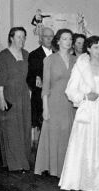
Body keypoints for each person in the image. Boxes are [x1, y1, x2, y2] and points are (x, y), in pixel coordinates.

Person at [59, 36, 99, 191]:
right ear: (89, 49)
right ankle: (80, 181)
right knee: (84, 145)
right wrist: (85, 96)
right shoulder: (81, 65)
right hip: (88, 109)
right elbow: (70, 90)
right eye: (96, 48)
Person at [34, 29, 77, 178]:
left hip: (71, 103)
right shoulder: (50, 60)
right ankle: (53, 169)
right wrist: (45, 108)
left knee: (68, 134)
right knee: (54, 135)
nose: (68, 41)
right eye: (65, 38)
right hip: (54, 102)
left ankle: (66, 169)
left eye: (70, 39)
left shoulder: (75, 60)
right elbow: (45, 86)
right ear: (58, 41)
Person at [0, 27, 31, 172]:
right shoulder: (3, 56)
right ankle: (15, 163)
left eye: (23, 37)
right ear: (11, 38)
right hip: (8, 95)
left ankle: (23, 160)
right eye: (18, 37)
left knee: (24, 127)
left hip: (23, 94)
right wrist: (1, 99)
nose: (21, 40)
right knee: (11, 129)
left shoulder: (26, 54)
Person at [27, 27, 54, 135]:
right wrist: (36, 81)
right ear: (41, 39)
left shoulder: (58, 53)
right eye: (46, 37)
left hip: (57, 98)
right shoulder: (34, 55)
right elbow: (30, 78)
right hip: (41, 99)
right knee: (44, 131)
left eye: (51, 36)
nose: (49, 39)